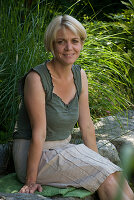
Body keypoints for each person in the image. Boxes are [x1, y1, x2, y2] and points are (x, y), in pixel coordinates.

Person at [13, 15, 134, 200]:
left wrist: (97, 161)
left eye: (74, 41)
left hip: (64, 149)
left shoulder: (80, 75)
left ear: (81, 43)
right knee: (106, 177)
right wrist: (31, 180)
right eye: (61, 42)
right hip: (35, 156)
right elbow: (39, 133)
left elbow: (86, 127)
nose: (69, 48)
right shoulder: (36, 79)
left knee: (116, 175)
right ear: (51, 45)